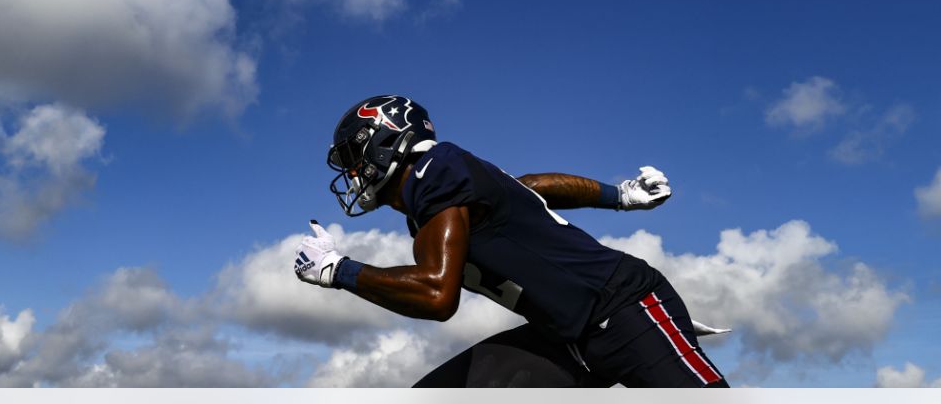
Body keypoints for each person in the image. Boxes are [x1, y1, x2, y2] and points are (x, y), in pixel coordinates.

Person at [293, 95, 728, 388]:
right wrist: (621, 195)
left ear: (386, 142)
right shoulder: (437, 201)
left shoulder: (436, 171)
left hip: (621, 308)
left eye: (353, 158)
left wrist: (340, 270)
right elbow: (532, 188)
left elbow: (436, 295)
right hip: (562, 337)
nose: (351, 175)